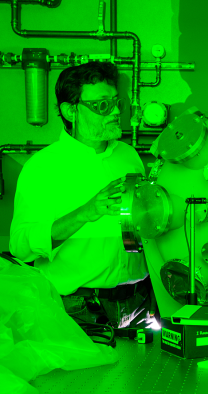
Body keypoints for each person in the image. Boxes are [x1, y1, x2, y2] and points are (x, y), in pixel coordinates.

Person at [9, 61, 154, 330]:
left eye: (116, 102)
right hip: (78, 309)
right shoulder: (42, 167)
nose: (114, 113)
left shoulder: (128, 156)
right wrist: (86, 212)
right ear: (70, 110)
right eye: (102, 105)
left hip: (139, 304)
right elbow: (20, 246)